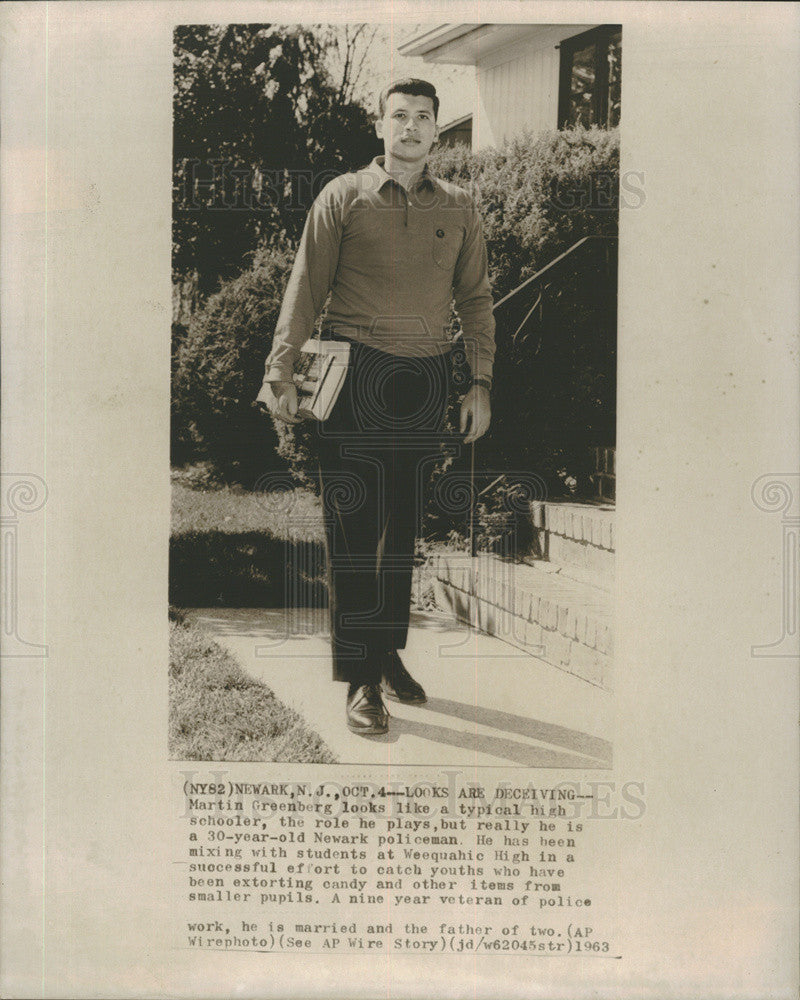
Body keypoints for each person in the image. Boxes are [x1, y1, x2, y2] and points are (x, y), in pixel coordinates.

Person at [258, 78, 496, 735]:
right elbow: (305, 285)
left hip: (425, 383)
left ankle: (386, 651)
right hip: (355, 375)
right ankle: (361, 680)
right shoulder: (344, 196)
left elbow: (474, 300)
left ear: (438, 131)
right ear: (381, 124)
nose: (412, 126)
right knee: (355, 535)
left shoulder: (462, 207)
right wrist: (280, 371)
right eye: (400, 115)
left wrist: (479, 381)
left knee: (400, 535)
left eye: (424, 117)